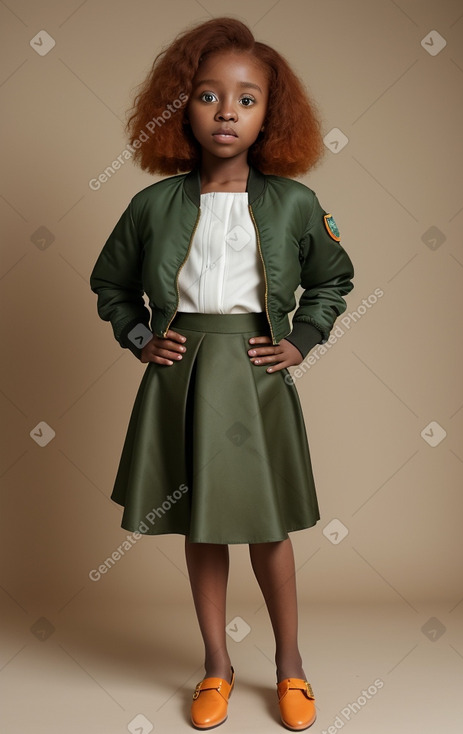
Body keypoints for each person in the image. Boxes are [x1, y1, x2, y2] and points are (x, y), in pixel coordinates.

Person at [90, 16, 354, 731]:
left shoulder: (294, 203)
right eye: (207, 96)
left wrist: (301, 338)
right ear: (179, 111)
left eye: (246, 98)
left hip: (256, 373)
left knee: (266, 528)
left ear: (272, 114)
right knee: (200, 526)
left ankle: (289, 666)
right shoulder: (151, 206)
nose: (227, 111)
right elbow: (110, 287)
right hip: (181, 378)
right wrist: (142, 335)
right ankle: (216, 666)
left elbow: (332, 281)